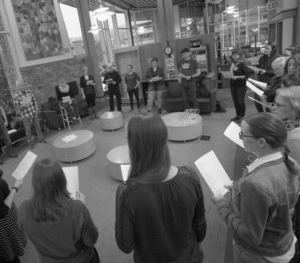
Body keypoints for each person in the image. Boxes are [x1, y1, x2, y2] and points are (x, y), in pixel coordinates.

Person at [115, 114, 207, 262]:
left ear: (134, 146)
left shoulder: (127, 193)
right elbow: (199, 225)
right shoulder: (190, 176)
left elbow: (126, 245)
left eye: (128, 142)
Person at [212, 112, 299, 263]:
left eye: (243, 135)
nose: (241, 138)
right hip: (282, 240)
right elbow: (275, 197)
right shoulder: (289, 162)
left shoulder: (255, 184)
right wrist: (238, 187)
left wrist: (222, 205)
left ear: (261, 142)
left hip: (261, 254)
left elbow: (249, 236)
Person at [19, 158, 100, 263]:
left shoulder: (23, 209)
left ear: (35, 183)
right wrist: (81, 207)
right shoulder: (77, 208)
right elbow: (91, 240)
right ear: (62, 180)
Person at [274, 87, 300, 263]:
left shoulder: (295, 139)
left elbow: (289, 171)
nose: (274, 108)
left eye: (278, 105)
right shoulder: (292, 131)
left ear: (295, 108)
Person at [0, 170, 26, 263]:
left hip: (6, 217)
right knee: (8, 247)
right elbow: (2, 210)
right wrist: (15, 188)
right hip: (3, 223)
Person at [13, 79, 46, 149]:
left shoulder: (29, 91)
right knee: (28, 131)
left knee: (38, 127)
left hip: (33, 112)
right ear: (17, 87)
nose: (21, 87)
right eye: (19, 86)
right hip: (25, 115)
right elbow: (17, 109)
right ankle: (30, 143)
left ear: (24, 85)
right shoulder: (16, 96)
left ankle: (41, 139)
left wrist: (36, 110)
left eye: (21, 85)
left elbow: (34, 101)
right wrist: (23, 106)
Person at [229, 49, 254, 123]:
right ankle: (237, 115)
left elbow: (247, 75)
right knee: (235, 101)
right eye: (234, 55)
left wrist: (238, 77)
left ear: (240, 55)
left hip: (241, 85)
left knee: (240, 101)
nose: (235, 56)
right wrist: (230, 72)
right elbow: (231, 73)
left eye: (237, 54)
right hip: (233, 84)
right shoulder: (233, 64)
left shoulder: (243, 64)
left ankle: (242, 116)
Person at [254, 43, 277, 112]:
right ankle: (261, 115)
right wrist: (256, 70)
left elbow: (275, 71)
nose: (265, 50)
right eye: (265, 48)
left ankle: (267, 117)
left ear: (273, 50)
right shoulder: (261, 58)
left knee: (267, 103)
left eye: (268, 48)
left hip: (269, 83)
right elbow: (260, 68)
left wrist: (266, 72)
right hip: (259, 81)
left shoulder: (276, 58)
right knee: (256, 101)